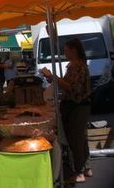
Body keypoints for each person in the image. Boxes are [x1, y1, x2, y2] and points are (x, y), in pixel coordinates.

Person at [41, 38, 91, 184]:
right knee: (80, 138)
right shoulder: (76, 65)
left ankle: (79, 172)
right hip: (79, 105)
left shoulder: (77, 66)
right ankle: (86, 167)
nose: (64, 53)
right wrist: (53, 79)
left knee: (76, 139)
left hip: (78, 106)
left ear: (73, 50)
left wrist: (53, 77)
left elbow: (70, 87)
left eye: (66, 50)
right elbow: (67, 86)